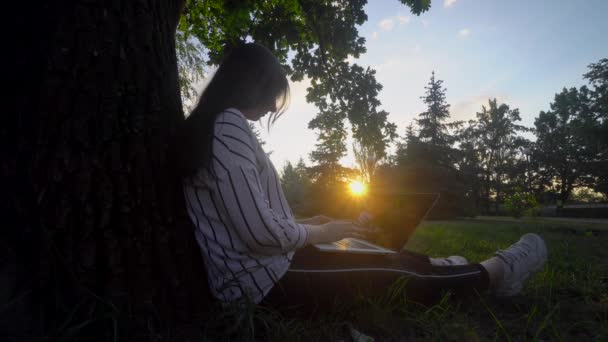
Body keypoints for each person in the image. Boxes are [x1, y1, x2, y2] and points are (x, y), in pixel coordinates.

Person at [176, 43, 547, 309]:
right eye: (272, 95)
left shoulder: (217, 126)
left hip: (270, 268)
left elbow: (247, 216)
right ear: (253, 85)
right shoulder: (228, 126)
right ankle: (500, 269)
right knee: (396, 279)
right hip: (261, 283)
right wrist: (324, 231)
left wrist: (308, 221)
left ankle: (450, 266)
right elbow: (259, 234)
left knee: (382, 257)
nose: (271, 106)